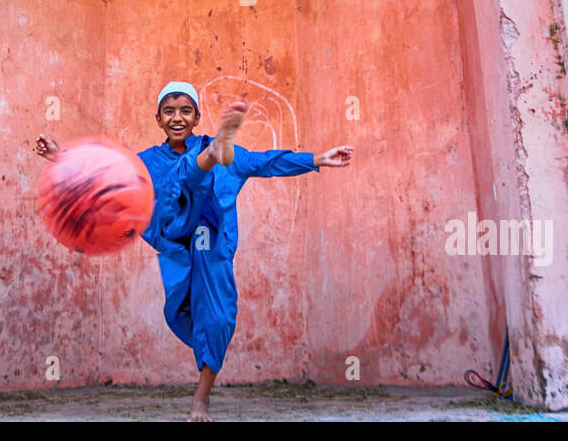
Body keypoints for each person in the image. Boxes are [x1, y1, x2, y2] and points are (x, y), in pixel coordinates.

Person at [34, 80, 353, 421]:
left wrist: (319, 158)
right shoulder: (145, 162)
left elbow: (268, 162)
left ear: (197, 116)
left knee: (218, 318)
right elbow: (102, 178)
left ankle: (201, 400)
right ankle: (204, 161)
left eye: (185, 110)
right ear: (158, 119)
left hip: (209, 240)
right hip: (172, 232)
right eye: (169, 111)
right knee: (179, 180)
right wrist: (60, 157)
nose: (177, 117)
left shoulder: (218, 151)